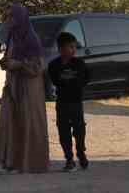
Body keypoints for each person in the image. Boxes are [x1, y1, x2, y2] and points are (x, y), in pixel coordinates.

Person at [0, 3, 49, 175]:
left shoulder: (31, 39)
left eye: (11, 17)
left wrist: (19, 64)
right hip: (12, 84)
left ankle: (24, 163)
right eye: (6, 17)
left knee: (26, 123)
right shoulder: (12, 36)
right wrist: (5, 63)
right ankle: (7, 161)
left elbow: (38, 66)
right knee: (8, 121)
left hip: (28, 88)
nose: (8, 20)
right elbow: (10, 57)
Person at [46, 31, 89, 172]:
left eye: (74, 47)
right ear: (61, 49)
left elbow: (85, 79)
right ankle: (69, 159)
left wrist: (72, 81)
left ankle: (81, 153)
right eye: (70, 47)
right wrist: (66, 80)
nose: (73, 50)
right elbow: (56, 80)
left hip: (76, 102)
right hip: (62, 102)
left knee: (79, 129)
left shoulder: (79, 64)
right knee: (63, 131)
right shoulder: (54, 65)